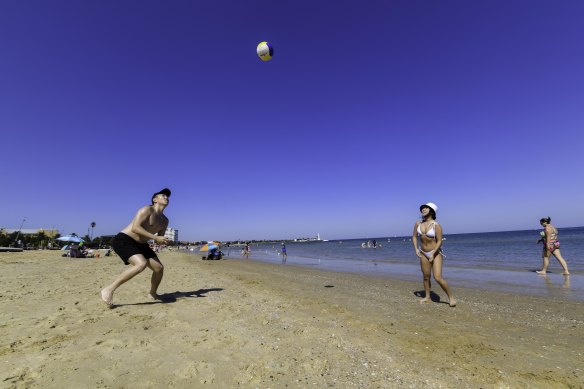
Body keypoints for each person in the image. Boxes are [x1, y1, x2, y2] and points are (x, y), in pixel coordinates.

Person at [100, 188, 171, 308]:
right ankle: (108, 290)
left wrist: (163, 241)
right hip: (124, 240)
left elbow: (159, 238)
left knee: (159, 268)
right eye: (163, 195)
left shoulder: (165, 220)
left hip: (141, 244)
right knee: (140, 264)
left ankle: (152, 293)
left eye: (167, 196)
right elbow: (135, 228)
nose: (166, 197)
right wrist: (155, 237)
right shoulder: (147, 209)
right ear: (155, 199)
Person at [412, 203, 456, 307]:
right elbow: (414, 236)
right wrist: (416, 249)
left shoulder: (436, 225)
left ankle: (451, 297)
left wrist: (433, 253)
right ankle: (427, 297)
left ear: (432, 211)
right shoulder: (418, 224)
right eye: (422, 208)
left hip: (435, 253)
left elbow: (440, 241)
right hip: (423, 252)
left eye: (426, 208)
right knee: (426, 277)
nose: (423, 209)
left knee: (438, 277)